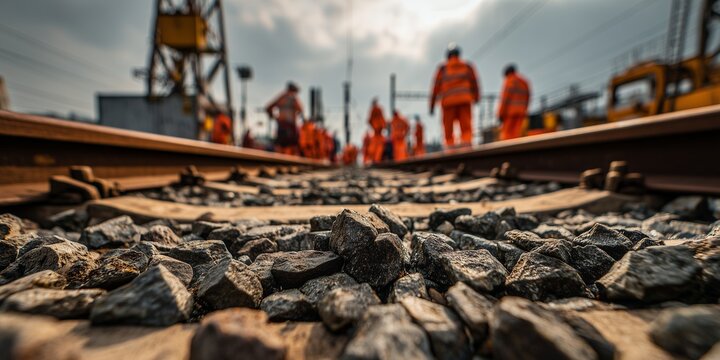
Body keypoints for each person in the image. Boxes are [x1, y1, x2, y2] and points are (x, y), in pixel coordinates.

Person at [429, 43, 480, 147]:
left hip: (448, 103)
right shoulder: (467, 66)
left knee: (448, 129)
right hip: (464, 101)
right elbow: (475, 83)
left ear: (448, 56)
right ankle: (467, 146)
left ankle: (450, 149)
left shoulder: (443, 69)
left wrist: (432, 106)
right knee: (466, 127)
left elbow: (435, 88)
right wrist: (476, 98)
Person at [266, 82, 303, 155]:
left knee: (280, 145)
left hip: (282, 125)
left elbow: (269, 107)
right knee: (293, 146)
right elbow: (300, 109)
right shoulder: (293, 98)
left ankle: (279, 160)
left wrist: (274, 117)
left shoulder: (281, 97)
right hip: (290, 126)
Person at [498, 64, 531, 140]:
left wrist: (500, 114)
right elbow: (528, 97)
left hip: (509, 113)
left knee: (507, 133)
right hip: (521, 112)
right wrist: (525, 109)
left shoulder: (509, 81)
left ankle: (508, 149)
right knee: (517, 132)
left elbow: (505, 99)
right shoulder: (524, 82)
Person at [367, 98, 386, 163]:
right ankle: (376, 159)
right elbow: (382, 118)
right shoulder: (379, 109)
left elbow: (369, 120)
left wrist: (373, 126)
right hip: (379, 129)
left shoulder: (373, 109)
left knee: (375, 146)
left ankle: (375, 159)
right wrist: (383, 126)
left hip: (376, 129)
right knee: (378, 146)